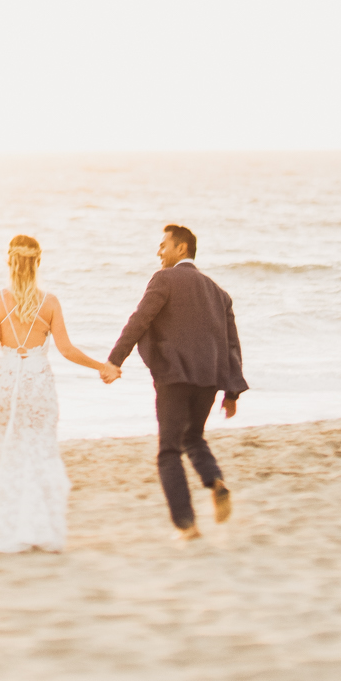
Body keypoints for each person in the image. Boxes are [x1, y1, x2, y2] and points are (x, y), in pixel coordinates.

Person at [0, 235, 120, 553]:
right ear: (38, 262)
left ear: (9, 262)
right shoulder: (51, 302)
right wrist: (102, 366)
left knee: (9, 449)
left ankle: (2, 525)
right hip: (37, 383)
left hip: (6, 381)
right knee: (38, 450)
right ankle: (36, 527)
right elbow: (67, 350)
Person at [106, 223, 247, 542]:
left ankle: (186, 525)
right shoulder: (218, 292)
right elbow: (231, 344)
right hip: (208, 381)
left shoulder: (164, 279)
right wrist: (232, 391)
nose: (159, 251)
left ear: (181, 248)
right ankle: (215, 481)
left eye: (163, 245)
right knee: (193, 437)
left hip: (174, 377)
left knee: (168, 451)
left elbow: (139, 320)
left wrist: (115, 360)